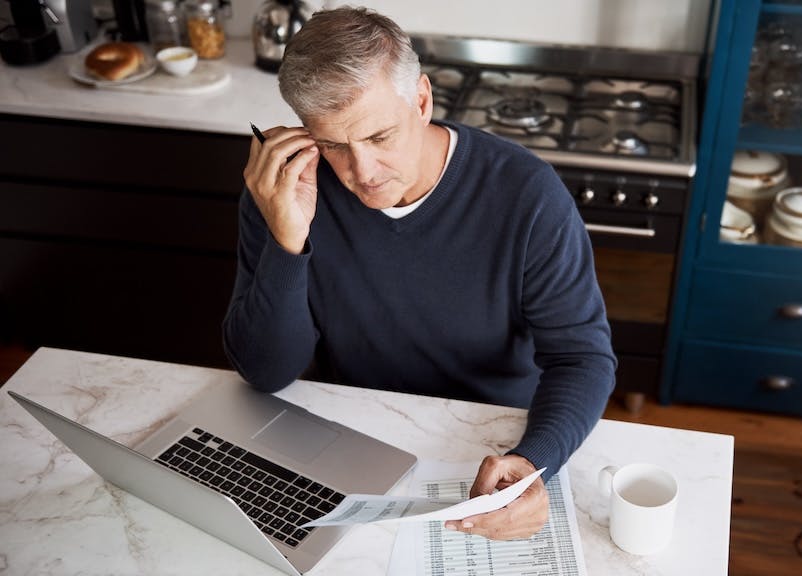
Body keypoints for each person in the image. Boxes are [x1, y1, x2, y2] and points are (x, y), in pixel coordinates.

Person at [223, 5, 615, 540]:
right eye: (334, 145)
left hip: (486, 444)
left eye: (380, 136)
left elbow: (582, 357)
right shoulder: (287, 193)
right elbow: (266, 372)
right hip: (352, 438)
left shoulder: (527, 196)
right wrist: (286, 241)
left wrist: (534, 459)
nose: (362, 173)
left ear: (423, 101)